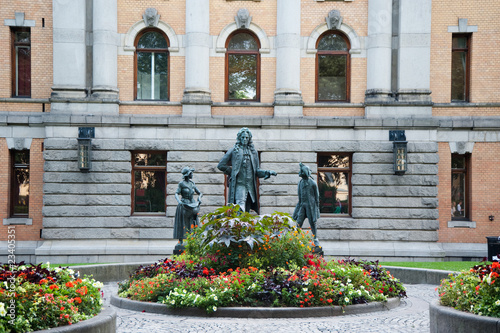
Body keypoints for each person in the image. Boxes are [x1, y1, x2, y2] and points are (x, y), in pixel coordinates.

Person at [218, 127, 277, 213]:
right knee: (239, 206)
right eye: (242, 137)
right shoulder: (234, 150)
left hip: (250, 187)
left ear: (249, 139)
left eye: (246, 137)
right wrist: (232, 172)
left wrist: (267, 172)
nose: (244, 139)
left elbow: (256, 171)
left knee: (247, 210)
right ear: (239, 138)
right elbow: (220, 165)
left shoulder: (253, 152)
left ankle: (243, 226)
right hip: (239, 185)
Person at [293, 163, 321, 246]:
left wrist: (317, 209)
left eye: (301, 171)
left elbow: (317, 197)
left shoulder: (313, 183)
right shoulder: (300, 183)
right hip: (302, 206)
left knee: (312, 223)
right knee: (298, 222)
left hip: (310, 206)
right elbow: (299, 197)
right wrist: (297, 210)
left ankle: (315, 238)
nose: (300, 173)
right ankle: (296, 239)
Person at [173, 167, 203, 244]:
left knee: (194, 220)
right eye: (191, 173)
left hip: (192, 203)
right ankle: (181, 240)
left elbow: (200, 193)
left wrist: (199, 198)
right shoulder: (181, 184)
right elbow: (176, 193)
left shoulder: (192, 184)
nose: (192, 174)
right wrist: (179, 201)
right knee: (184, 222)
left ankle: (194, 238)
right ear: (187, 174)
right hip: (184, 204)